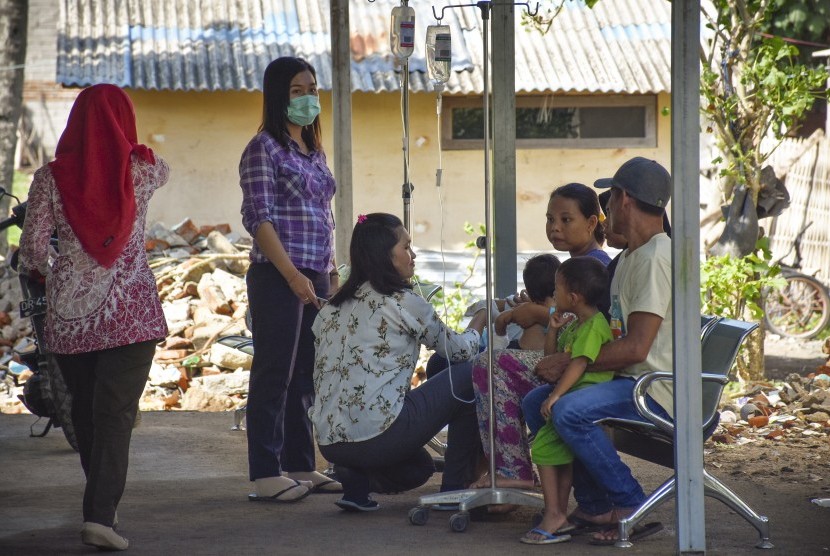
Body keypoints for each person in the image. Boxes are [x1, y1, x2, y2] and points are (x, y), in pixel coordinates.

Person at [18, 84, 170, 551]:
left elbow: (32, 252)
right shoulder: (144, 169)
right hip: (131, 312)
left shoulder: (48, 178)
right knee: (116, 415)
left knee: (85, 414)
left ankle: (101, 505)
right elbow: (162, 169)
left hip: (70, 317)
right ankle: (100, 514)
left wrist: (55, 272)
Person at [309, 213, 487, 512]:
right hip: (378, 436)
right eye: (406, 246)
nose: (413, 254)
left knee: (418, 468)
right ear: (385, 255)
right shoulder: (403, 303)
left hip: (329, 444)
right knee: (471, 374)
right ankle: (454, 492)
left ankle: (355, 485)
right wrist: (480, 317)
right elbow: (459, 351)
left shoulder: (330, 309)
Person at [536, 157, 672, 545]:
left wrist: (567, 361)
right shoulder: (632, 256)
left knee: (567, 410)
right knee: (536, 403)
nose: (606, 207)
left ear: (623, 199)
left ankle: (630, 503)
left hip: (654, 388)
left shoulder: (655, 259)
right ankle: (595, 505)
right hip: (628, 380)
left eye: (609, 199)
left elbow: (636, 346)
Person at [239, 56, 341, 503]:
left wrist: (329, 271)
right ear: (278, 96)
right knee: (273, 373)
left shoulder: (313, 152)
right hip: (278, 274)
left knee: (305, 376)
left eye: (311, 89)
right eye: (296, 91)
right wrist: (293, 275)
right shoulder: (263, 147)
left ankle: (301, 465)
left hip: (315, 272)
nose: (307, 99)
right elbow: (258, 219)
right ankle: (265, 472)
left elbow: (323, 214)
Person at [470, 182, 611, 490]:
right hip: (562, 360)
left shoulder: (595, 268)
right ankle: (495, 470)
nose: (555, 228)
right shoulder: (575, 265)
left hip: (582, 371)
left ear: (591, 223)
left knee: (490, 366)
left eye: (565, 219)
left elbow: (591, 324)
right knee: (483, 367)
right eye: (550, 219)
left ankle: (513, 468)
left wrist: (540, 315)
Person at [517, 257, 614, 544]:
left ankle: (555, 514)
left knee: (544, 449)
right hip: (571, 393)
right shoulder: (575, 323)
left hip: (579, 395)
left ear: (573, 297)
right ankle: (556, 512)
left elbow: (578, 364)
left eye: (556, 290)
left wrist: (556, 396)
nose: (553, 295)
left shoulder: (594, 326)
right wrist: (554, 328)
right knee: (555, 453)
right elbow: (551, 356)